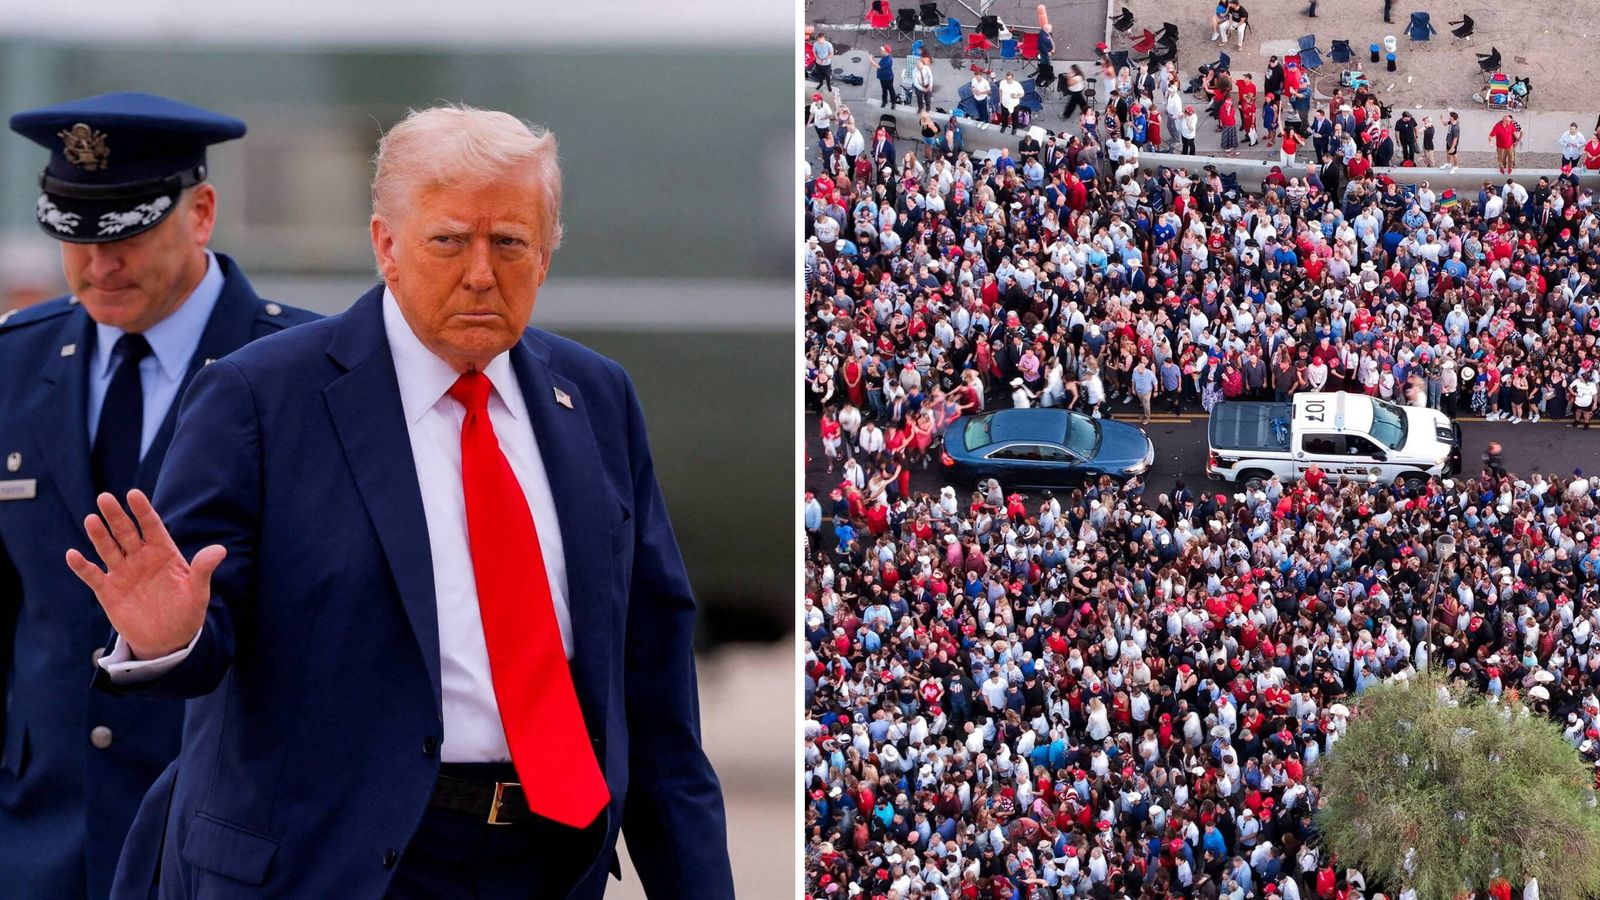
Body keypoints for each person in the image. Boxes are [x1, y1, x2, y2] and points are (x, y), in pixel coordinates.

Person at [69, 105, 733, 898]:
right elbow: (202, 627)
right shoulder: (261, 398)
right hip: (336, 865)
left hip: (545, 863)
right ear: (386, 244)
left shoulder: (594, 399)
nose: (482, 272)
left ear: (548, 254)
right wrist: (166, 638)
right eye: (449, 240)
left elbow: (653, 692)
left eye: (510, 242)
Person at [0, 92, 318, 900]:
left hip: (227, 845)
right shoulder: (12, 366)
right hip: (37, 845)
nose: (98, 266)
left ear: (202, 212)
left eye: (127, 233)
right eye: (72, 235)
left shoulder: (309, 374)